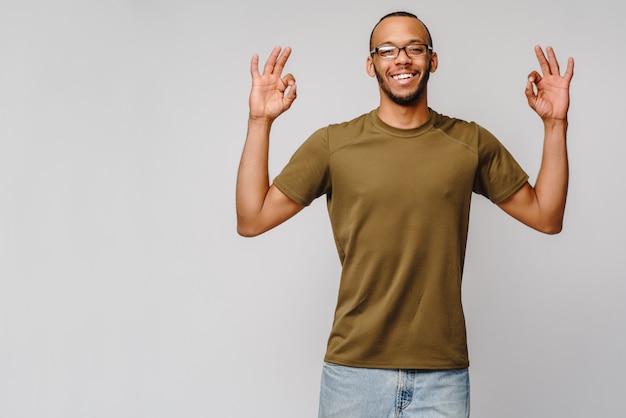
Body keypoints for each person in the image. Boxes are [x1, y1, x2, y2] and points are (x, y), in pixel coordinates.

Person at [236, 11, 574, 418]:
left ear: (432, 60)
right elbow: (251, 218)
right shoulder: (333, 145)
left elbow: (547, 216)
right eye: (387, 50)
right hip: (353, 372)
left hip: (441, 376)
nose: (402, 59)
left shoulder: (469, 142)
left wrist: (556, 125)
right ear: (371, 64)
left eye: (415, 48)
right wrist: (259, 122)